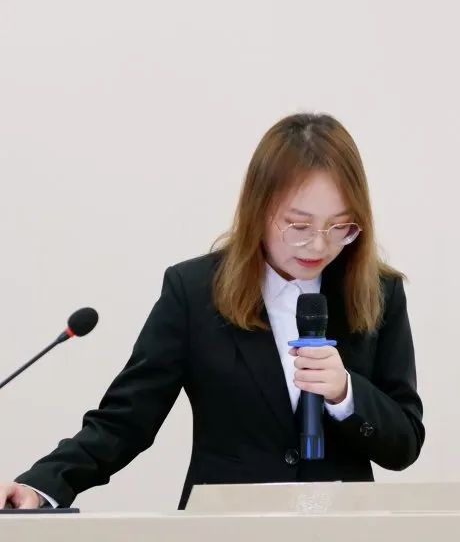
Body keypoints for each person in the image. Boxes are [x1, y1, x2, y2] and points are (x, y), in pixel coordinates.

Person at [0, 113, 425, 510]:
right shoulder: (194, 292)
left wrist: (346, 394)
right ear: (259, 210)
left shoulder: (379, 292)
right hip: (224, 524)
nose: (318, 244)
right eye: (299, 225)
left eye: (339, 226)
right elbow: (124, 421)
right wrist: (39, 486)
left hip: (340, 527)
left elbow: (404, 443)